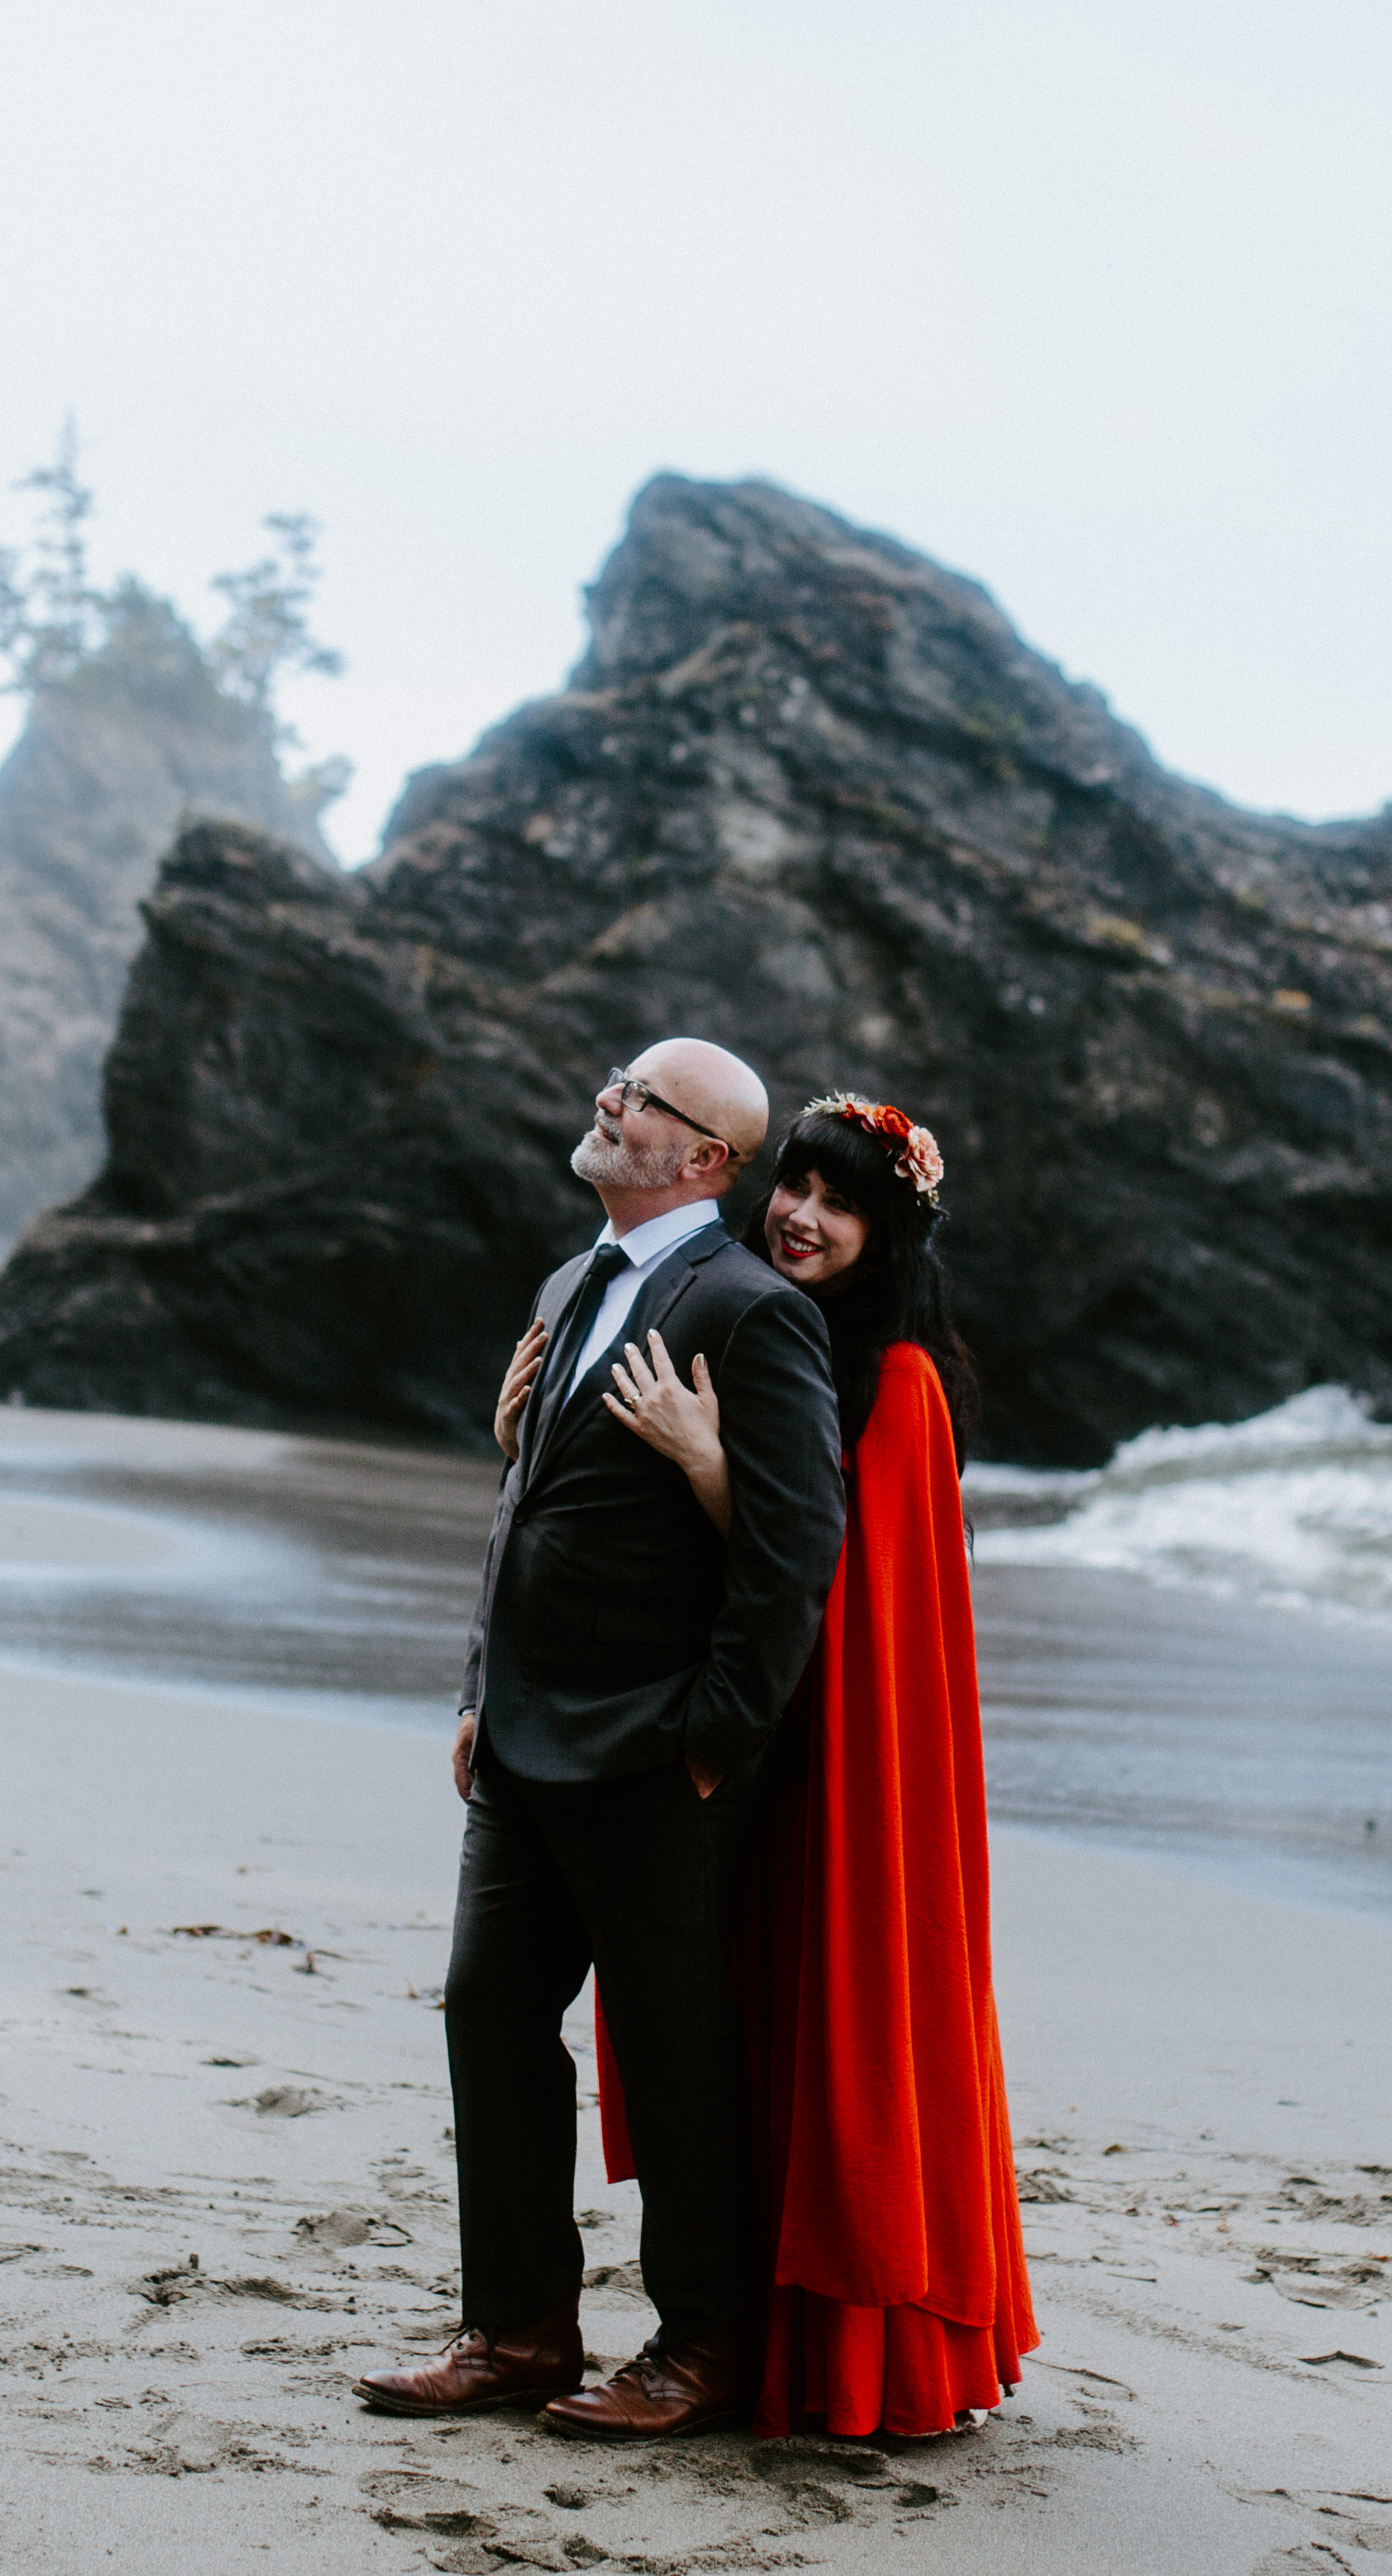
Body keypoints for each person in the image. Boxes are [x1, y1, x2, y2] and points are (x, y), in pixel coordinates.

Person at [351, 1038, 849, 2442]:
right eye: (617, 1084)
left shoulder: (754, 1313)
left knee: (678, 2054)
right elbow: (524, 1504)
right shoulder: (572, 1284)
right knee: (492, 2018)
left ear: (704, 1159)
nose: (607, 1103)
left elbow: (797, 1549)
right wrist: (478, 1686)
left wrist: (712, 1741)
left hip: (655, 1755)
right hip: (520, 1741)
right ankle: (517, 2331)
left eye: (639, 1099)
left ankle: (703, 2349)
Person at [594, 1091, 1036, 2441]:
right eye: (796, 1185)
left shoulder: (899, 1383)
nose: (803, 1217)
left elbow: (840, 1586)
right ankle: (726, 2326)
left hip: (841, 1757)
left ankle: (845, 2351)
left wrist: (709, 1465)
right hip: (744, 1734)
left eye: (844, 1205)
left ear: (887, 1238)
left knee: (835, 2026)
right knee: (727, 2033)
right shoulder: (757, 1329)